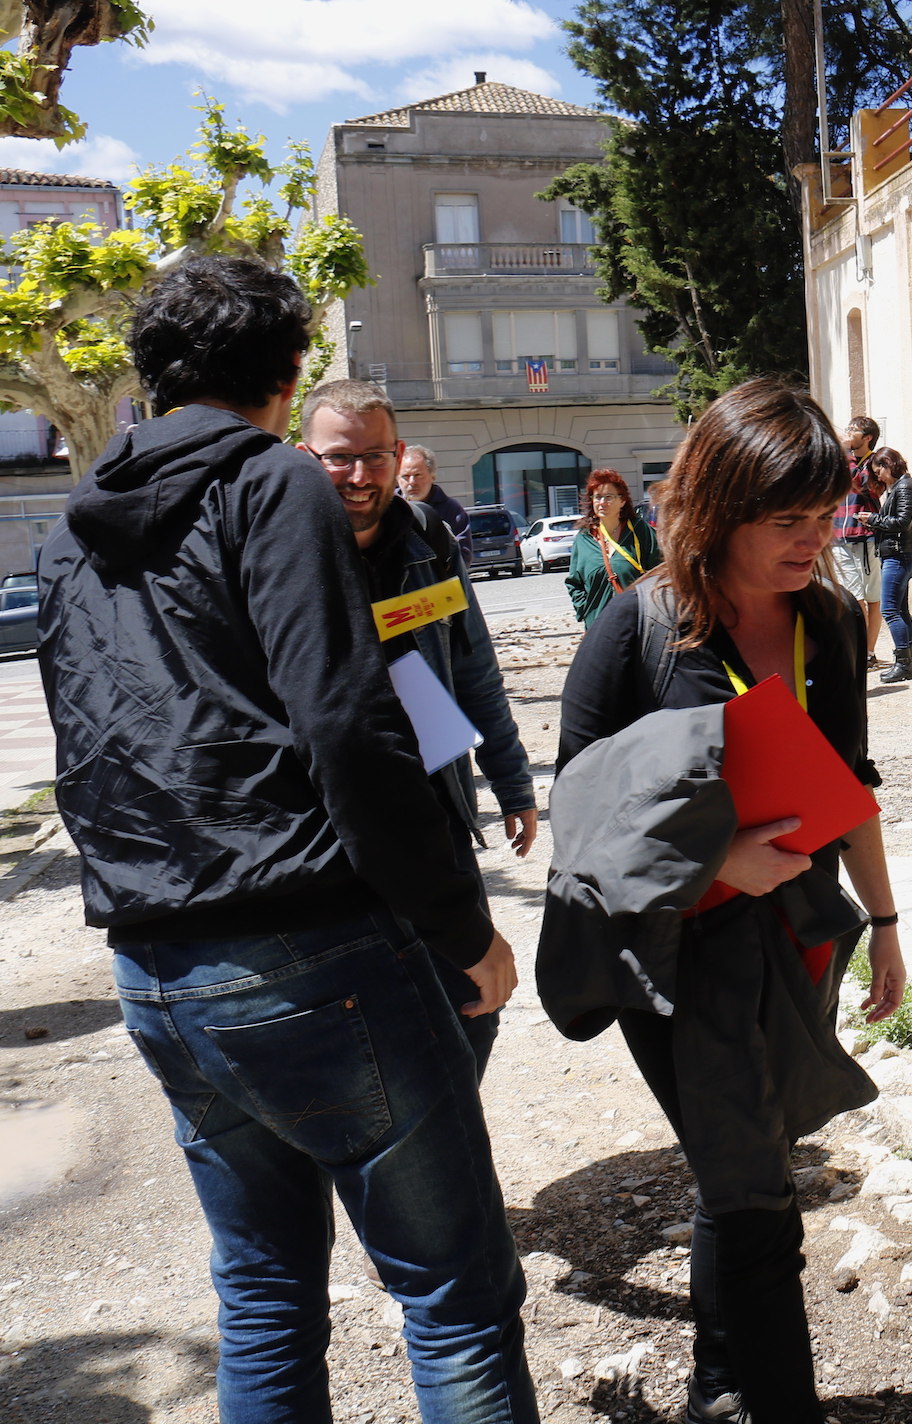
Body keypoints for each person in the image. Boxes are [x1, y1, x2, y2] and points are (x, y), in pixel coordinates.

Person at [36, 255, 537, 1421]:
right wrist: (463, 928)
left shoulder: (70, 529)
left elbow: (90, 743)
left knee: (262, 1292)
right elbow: (348, 727)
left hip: (154, 966)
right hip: (311, 950)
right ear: (286, 374)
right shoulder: (273, 483)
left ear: (151, 371)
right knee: (454, 1292)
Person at [555, 377, 907, 1424]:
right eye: (786, 520)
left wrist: (885, 925)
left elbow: (852, 786)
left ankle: (719, 1379)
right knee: (757, 1190)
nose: (812, 540)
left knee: (741, 1165)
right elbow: (580, 817)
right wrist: (713, 866)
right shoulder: (640, 630)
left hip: (800, 940)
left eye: (826, 516)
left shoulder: (833, 625)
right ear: (718, 511)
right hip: (673, 955)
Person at [300, 378, 542, 1074]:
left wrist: (512, 782)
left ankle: (453, 1156)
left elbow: (475, 670)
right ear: (304, 456)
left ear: (398, 454)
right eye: (338, 457)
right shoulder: (287, 548)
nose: (357, 474)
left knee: (472, 1002)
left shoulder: (429, 537)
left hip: (435, 804)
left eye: (374, 456)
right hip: (336, 826)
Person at [565, 466, 661, 626]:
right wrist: (585, 610)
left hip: (636, 625)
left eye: (609, 497)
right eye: (597, 497)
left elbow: (659, 573)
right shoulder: (584, 538)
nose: (602, 503)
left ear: (622, 501)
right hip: (598, 627)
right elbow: (574, 583)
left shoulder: (639, 531)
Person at [865, 447, 912, 684]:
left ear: (888, 464)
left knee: (889, 610)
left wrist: (872, 519)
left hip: (899, 557)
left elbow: (902, 522)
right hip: (899, 555)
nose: (878, 476)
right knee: (900, 610)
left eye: (878, 470)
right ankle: (907, 661)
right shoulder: (900, 487)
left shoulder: (905, 487)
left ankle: (903, 663)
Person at [831, 415, 883, 664]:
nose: (848, 432)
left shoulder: (875, 462)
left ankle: (868, 653)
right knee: (853, 598)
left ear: (868, 437)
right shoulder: (842, 461)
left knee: (872, 598)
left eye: (855, 430)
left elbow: (861, 486)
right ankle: (859, 652)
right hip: (839, 536)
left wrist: (845, 454)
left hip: (865, 539)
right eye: (848, 427)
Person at [398, 441, 471, 550]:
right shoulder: (388, 508)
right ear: (397, 479)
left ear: (432, 476)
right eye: (405, 476)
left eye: (418, 475)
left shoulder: (451, 510)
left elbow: (463, 554)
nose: (412, 482)